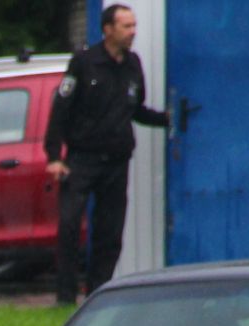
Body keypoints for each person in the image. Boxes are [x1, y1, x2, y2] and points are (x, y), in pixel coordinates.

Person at [44, 4, 170, 306]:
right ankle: (65, 296)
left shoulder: (133, 64)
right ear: (108, 29)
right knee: (71, 225)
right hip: (81, 160)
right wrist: (54, 156)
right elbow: (60, 111)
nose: (133, 32)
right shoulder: (84, 63)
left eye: (135, 25)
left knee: (110, 232)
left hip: (116, 162)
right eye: (126, 26)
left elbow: (134, 109)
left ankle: (97, 293)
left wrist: (165, 119)